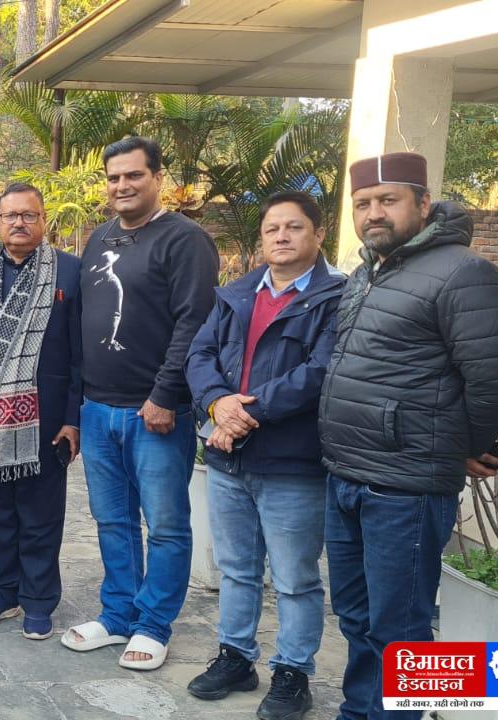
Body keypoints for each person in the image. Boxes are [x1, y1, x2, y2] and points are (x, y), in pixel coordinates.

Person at [320, 152, 498, 720]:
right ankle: (359, 712)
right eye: (363, 203)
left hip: (404, 489)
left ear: (424, 204)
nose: (373, 213)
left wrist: (461, 447)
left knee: (401, 630)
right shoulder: (366, 272)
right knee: (356, 617)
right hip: (346, 475)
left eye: (388, 200)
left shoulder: (464, 272)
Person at [183, 191, 344, 719]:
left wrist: (241, 414)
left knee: (295, 579)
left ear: (318, 234)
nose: (281, 236)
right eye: (272, 228)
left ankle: (293, 673)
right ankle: (236, 657)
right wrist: (217, 402)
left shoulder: (336, 298)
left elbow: (319, 373)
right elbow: (200, 354)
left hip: (292, 464)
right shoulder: (235, 294)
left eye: (293, 227)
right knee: (236, 569)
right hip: (229, 461)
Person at [63, 136, 217, 670]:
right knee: (113, 521)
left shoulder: (185, 240)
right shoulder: (100, 237)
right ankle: (118, 615)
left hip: (155, 412)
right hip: (97, 409)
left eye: (134, 175)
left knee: (166, 524)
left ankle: (153, 625)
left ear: (157, 178)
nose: (122, 185)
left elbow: (194, 322)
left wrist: (165, 394)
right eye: (114, 177)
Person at [0, 182, 83, 641]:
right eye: (11, 215)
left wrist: (73, 418)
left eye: (29, 215)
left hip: (45, 419)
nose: (20, 223)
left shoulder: (70, 272)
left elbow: (80, 355)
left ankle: (39, 600)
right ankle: (2, 592)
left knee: (41, 515)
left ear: (43, 220)